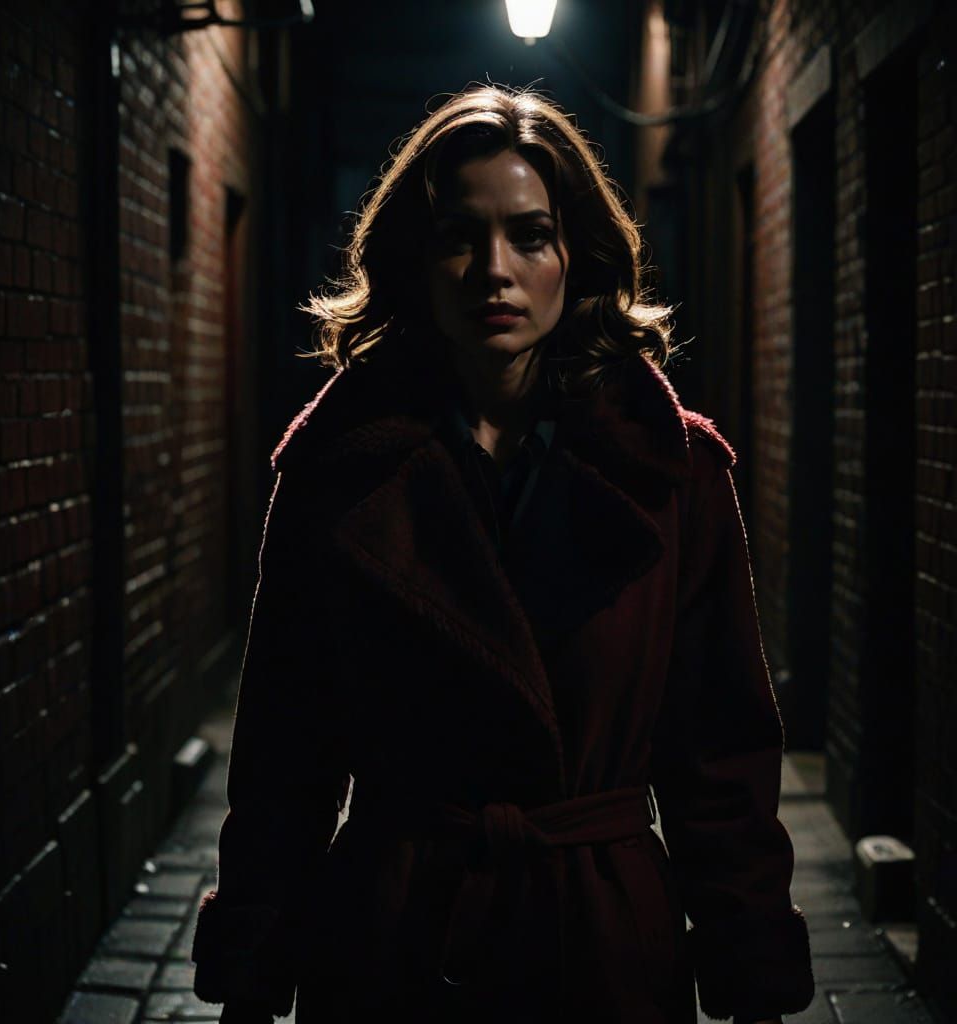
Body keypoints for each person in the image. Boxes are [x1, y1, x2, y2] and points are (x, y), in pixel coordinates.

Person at [190, 83, 815, 1024]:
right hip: (399, 940)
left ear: (577, 256)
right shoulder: (336, 468)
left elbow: (719, 749)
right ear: (414, 258)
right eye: (458, 236)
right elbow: (285, 744)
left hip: (598, 945)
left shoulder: (672, 470)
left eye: (530, 235)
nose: (495, 270)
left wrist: (751, 972)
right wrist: (251, 973)